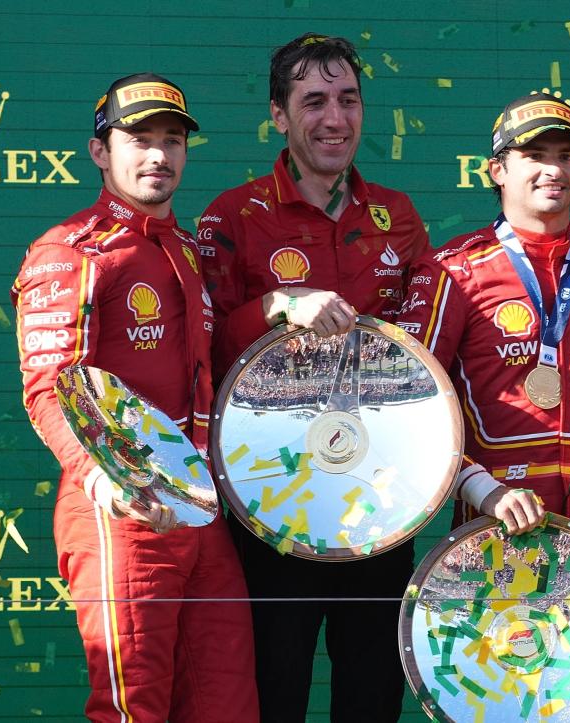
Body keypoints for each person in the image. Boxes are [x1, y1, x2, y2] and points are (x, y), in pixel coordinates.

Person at [11, 73, 257, 722]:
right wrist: (100, 474)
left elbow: (214, 354)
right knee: (130, 709)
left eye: (172, 140)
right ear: (100, 152)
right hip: (121, 510)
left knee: (225, 708)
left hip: (200, 513)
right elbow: (47, 389)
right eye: (139, 139)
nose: (157, 155)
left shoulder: (185, 248)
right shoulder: (70, 251)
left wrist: (278, 308)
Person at [198, 34, 429, 722]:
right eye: (314, 101)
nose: (335, 118)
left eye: (348, 100)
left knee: (372, 693)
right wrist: (273, 308)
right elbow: (203, 349)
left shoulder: (397, 215)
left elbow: (425, 346)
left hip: (379, 494)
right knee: (274, 688)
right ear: (277, 114)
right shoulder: (233, 215)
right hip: (272, 496)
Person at [397, 91, 570, 562]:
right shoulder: (454, 271)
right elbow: (406, 406)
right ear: (497, 170)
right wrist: (481, 490)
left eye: (565, 157)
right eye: (534, 155)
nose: (554, 169)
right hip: (501, 518)